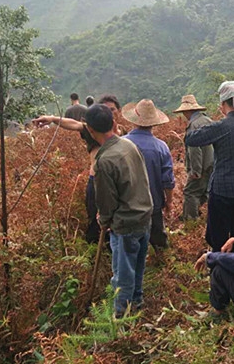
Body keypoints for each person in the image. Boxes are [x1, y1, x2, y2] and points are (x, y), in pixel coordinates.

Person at [85, 104, 153, 317]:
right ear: (114, 124)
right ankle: (137, 306)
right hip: (144, 217)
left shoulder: (103, 161)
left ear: (89, 130)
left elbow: (106, 201)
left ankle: (120, 320)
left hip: (125, 224)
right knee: (138, 269)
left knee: (122, 276)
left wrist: (103, 220)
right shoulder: (129, 145)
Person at [33, 94, 124, 244]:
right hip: (96, 182)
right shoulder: (92, 131)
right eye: (106, 109)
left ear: (119, 111)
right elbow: (75, 124)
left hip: (118, 183)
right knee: (95, 219)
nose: (109, 113)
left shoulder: (124, 133)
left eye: (112, 109)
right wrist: (53, 119)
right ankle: (95, 252)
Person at [185, 81, 234, 252]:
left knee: (218, 235)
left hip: (222, 190)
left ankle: (218, 269)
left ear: (223, 103)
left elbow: (191, 139)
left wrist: (196, 122)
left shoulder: (221, 126)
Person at [122, 99, 175, 253]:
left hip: (127, 204)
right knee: (158, 238)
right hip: (154, 203)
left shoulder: (121, 144)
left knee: (129, 245)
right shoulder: (161, 147)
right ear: (154, 123)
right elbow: (168, 181)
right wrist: (169, 202)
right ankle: (161, 261)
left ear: (134, 120)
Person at [173, 95, 214, 220]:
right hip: (212, 164)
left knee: (190, 193)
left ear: (187, 110)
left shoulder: (193, 125)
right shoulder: (208, 121)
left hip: (201, 166)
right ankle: (198, 216)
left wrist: (195, 170)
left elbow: (195, 150)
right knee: (204, 191)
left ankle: (191, 221)